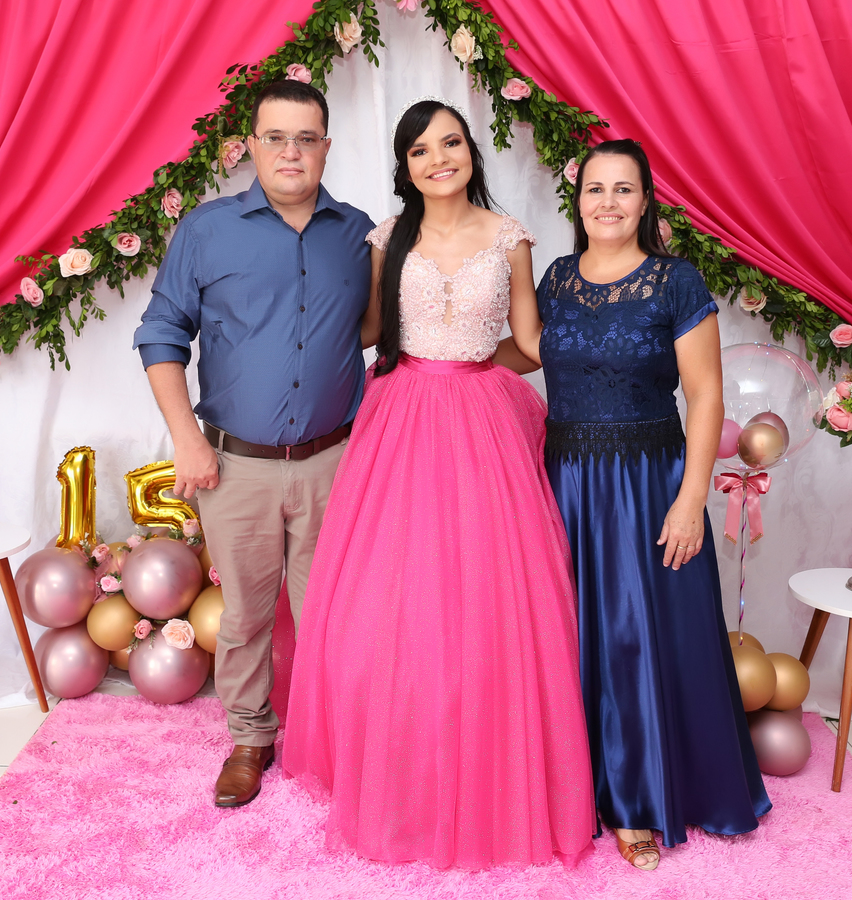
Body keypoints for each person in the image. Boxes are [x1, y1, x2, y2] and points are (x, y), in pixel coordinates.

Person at [281, 98, 595, 870]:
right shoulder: (388, 239)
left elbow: (530, 343)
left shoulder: (510, 238)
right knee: (390, 596)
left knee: (490, 595)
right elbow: (368, 332)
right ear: (406, 166)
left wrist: (591, 343)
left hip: (483, 418)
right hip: (400, 417)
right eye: (420, 150)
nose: (438, 159)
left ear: (470, 153)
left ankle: (488, 768)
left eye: (450, 143)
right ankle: (397, 766)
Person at [507, 139, 771, 870]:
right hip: (566, 483)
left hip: (649, 483)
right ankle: (574, 787)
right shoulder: (558, 278)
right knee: (569, 636)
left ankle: (637, 800)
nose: (608, 203)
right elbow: (530, 351)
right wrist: (439, 360)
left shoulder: (674, 281)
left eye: (623, 189)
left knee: (639, 637)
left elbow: (707, 396)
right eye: (595, 189)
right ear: (578, 200)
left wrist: (691, 500)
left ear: (646, 200)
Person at [133, 80, 374, 809]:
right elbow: (160, 335)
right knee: (243, 616)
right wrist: (187, 440)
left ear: (326, 147)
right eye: (276, 137)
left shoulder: (359, 234)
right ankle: (249, 738)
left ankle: (333, 740)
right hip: (234, 464)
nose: (291, 152)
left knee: (333, 614)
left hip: (335, 461)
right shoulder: (207, 231)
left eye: (306, 138)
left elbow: (373, 331)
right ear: (252, 146)